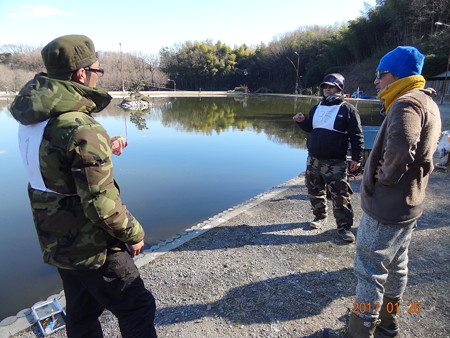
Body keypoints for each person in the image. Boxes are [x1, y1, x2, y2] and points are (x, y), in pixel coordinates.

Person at [9, 35, 157, 338]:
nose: (96, 76)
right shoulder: (81, 127)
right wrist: (135, 233)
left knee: (82, 313)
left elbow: (55, 166)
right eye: (97, 71)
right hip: (93, 245)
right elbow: (101, 206)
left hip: (58, 240)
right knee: (137, 306)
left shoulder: (33, 119)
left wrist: (104, 145)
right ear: (81, 74)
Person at [346, 46, 441, 337]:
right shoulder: (428, 101)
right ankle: (388, 322)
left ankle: (360, 331)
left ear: (397, 75)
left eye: (380, 74)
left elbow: (401, 149)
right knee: (397, 263)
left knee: (369, 268)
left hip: (387, 205)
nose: (376, 81)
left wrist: (384, 177)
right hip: (409, 204)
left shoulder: (406, 103)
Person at [293, 73, 364, 242]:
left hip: (336, 162)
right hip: (313, 160)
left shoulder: (348, 109)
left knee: (340, 196)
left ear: (339, 88)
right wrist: (302, 121)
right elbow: (311, 128)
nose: (327, 90)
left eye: (331, 86)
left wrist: (357, 158)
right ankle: (319, 216)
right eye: (325, 87)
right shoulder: (316, 107)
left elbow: (357, 136)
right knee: (314, 191)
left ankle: (344, 228)